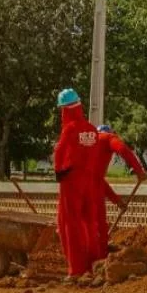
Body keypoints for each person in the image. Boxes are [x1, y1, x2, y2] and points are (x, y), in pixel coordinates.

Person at [53, 89, 98, 279]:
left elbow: (59, 152)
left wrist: (58, 171)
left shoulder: (69, 129)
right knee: (88, 223)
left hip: (71, 181)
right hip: (89, 182)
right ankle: (92, 265)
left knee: (68, 225)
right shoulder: (92, 130)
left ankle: (76, 270)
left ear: (65, 109)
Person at [90, 125, 147, 262]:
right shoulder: (107, 138)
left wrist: (118, 202)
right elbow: (122, 149)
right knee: (99, 225)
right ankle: (100, 259)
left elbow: (99, 183)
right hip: (90, 187)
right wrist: (138, 170)